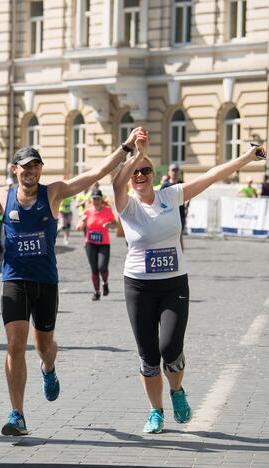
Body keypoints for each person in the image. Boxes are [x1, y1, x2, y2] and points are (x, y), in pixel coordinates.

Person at [0, 128, 148, 437]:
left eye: (35, 165)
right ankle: (17, 413)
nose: (30, 171)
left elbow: (96, 172)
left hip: (46, 281)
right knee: (15, 344)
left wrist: (125, 147)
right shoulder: (1, 197)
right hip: (15, 279)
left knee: (44, 346)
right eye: (24, 165)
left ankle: (49, 368)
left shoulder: (54, 192)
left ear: (40, 169)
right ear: (14, 169)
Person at [112, 131, 265, 434]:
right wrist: (138, 154)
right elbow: (116, 181)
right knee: (148, 355)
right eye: (136, 172)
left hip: (174, 285)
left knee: (170, 348)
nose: (140, 175)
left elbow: (211, 175)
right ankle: (156, 412)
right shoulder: (126, 205)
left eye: (146, 170)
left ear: (154, 175)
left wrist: (248, 158)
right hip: (138, 287)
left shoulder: (171, 195)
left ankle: (177, 391)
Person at [76, 189, 116, 301]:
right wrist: (82, 221)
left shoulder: (108, 211)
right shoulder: (88, 211)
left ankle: (105, 283)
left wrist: (110, 225)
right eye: (94, 199)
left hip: (104, 243)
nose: (96, 201)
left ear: (101, 199)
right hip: (90, 243)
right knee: (94, 269)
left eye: (98, 199)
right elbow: (78, 227)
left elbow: (115, 225)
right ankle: (97, 292)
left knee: (102, 267)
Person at [161, 164, 188, 249]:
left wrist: (187, 202)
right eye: (173, 170)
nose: (175, 172)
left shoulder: (182, 184)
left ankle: (181, 257)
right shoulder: (165, 185)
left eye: (176, 170)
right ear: (169, 172)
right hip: (168, 215)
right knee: (168, 237)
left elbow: (189, 195)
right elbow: (160, 201)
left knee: (179, 237)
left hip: (180, 214)